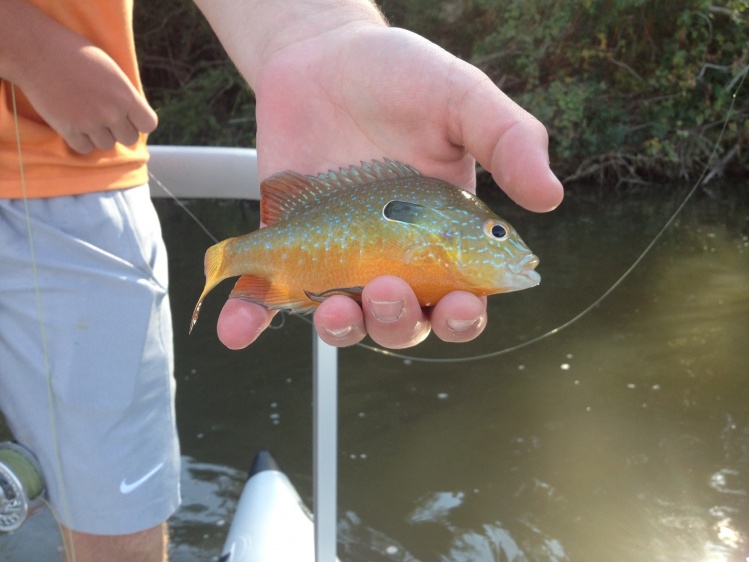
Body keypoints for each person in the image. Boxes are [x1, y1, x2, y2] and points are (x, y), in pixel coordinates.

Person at [0, 0, 563, 560]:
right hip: (70, 154)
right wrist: (29, 49)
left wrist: (322, 31)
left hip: (68, 172)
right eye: (494, 233)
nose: (506, 246)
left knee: (115, 521)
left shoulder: (443, 220)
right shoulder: (443, 215)